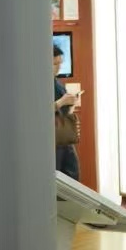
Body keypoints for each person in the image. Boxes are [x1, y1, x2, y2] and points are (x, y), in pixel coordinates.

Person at [53, 44, 80, 180]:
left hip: (64, 136)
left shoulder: (57, 83)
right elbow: (38, 111)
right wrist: (61, 102)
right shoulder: (39, 85)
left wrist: (70, 103)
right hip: (53, 138)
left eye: (60, 63)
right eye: (55, 64)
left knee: (72, 173)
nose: (58, 67)